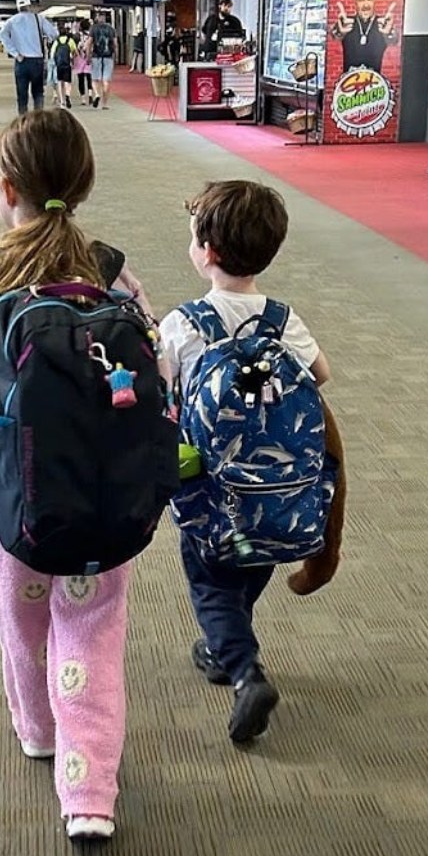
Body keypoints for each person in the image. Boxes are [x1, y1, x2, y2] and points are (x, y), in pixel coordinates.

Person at [0, 110, 162, 842]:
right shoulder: (111, 270)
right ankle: (89, 793)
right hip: (109, 488)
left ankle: (37, 729)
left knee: (23, 615)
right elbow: (155, 363)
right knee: (93, 630)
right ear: (85, 184)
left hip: (21, 495)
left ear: (7, 189)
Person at [159, 180, 344, 744]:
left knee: (210, 582)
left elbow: (160, 389)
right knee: (250, 562)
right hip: (280, 495)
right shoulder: (283, 320)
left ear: (207, 251)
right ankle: (225, 645)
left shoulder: (186, 324)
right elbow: (321, 375)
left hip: (212, 493)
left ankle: (244, 671)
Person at [0, 0, 57, 115]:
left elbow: (2, 36)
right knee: (38, 93)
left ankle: (23, 118)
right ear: (29, 5)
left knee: (22, 94)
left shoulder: (12, 21)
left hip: (21, 61)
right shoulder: (39, 19)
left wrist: (14, 52)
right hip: (37, 61)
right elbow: (53, 33)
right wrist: (47, 40)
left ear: (18, 7)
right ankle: (38, 118)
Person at [329, 0, 398, 73]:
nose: (366, 5)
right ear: (355, 2)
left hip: (374, 81)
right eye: (361, 0)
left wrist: (389, 32)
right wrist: (339, 31)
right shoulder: (347, 22)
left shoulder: (382, 24)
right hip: (349, 81)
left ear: (375, 1)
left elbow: (394, 40)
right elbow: (334, 34)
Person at [88, 9, 116, 109]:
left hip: (96, 57)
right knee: (106, 81)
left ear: (97, 17)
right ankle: (104, 104)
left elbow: (89, 43)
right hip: (108, 57)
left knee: (95, 79)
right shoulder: (111, 29)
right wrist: (115, 56)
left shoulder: (93, 28)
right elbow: (115, 44)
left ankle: (97, 94)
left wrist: (88, 56)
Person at [50, 23, 78, 110]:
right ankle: (67, 95)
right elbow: (75, 52)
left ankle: (62, 101)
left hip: (59, 65)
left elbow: (52, 54)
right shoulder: (70, 41)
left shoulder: (56, 41)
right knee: (67, 82)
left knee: (59, 82)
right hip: (67, 64)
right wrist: (72, 59)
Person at [73, 19, 93, 104]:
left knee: (80, 79)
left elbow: (74, 48)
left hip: (79, 58)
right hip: (89, 57)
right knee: (89, 77)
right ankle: (90, 95)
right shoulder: (91, 35)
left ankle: (83, 99)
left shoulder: (77, 36)